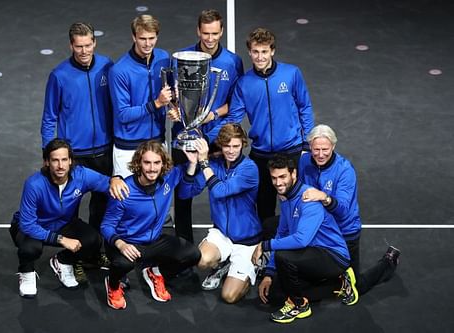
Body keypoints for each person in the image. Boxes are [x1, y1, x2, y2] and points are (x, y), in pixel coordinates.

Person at [40, 22, 114, 281]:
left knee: (101, 206)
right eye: (78, 46)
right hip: (75, 155)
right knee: (69, 211)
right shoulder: (59, 75)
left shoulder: (107, 66)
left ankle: (92, 253)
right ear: (71, 45)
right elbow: (49, 117)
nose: (84, 51)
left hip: (104, 150)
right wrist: (49, 154)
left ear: (94, 43)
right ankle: (71, 258)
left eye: (88, 45)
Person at [10, 139, 128, 298]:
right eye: (55, 160)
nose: (60, 165)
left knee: (93, 240)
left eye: (64, 160)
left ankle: (63, 261)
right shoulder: (34, 184)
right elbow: (27, 225)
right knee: (30, 249)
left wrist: (116, 179)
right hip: (34, 227)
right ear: (46, 162)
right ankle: (26, 272)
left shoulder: (81, 175)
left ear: (71, 161)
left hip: (64, 223)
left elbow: (108, 183)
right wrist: (61, 239)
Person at [252, 154, 357, 324]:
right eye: (274, 178)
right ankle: (337, 285)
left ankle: (299, 305)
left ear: (293, 174)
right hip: (310, 255)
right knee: (275, 294)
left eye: (282, 177)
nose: (278, 183)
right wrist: (269, 273)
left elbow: (301, 240)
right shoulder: (286, 198)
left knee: (283, 257)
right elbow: (282, 233)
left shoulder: (308, 200)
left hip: (333, 255)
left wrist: (265, 245)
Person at [298, 124, 400, 296]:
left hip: (344, 232)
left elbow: (343, 210)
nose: (320, 154)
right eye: (316, 149)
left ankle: (388, 262)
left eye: (325, 149)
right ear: (310, 147)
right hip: (318, 229)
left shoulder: (345, 170)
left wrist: (324, 197)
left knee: (353, 288)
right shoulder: (304, 161)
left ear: (333, 147)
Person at [170, 9, 244, 244]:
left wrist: (211, 115)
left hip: (217, 138)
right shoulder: (182, 58)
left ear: (221, 31)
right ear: (198, 31)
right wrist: (172, 108)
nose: (210, 38)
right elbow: (173, 94)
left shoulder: (233, 62)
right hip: (184, 136)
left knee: (220, 191)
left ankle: (221, 243)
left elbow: (236, 101)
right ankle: (183, 246)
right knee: (182, 193)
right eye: (205, 33)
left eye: (214, 33)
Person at [100, 141, 201, 310]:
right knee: (123, 265)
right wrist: (121, 244)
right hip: (126, 242)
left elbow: (185, 181)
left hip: (153, 241)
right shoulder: (124, 190)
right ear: (139, 163)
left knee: (193, 254)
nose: (152, 168)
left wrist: (192, 163)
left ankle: (156, 273)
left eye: (157, 163)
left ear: (163, 164)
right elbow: (106, 226)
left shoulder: (168, 179)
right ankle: (113, 284)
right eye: (147, 163)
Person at [228, 27, 314, 224]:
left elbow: (305, 107)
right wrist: (216, 140)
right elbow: (233, 119)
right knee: (264, 207)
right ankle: (266, 249)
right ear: (249, 52)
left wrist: (306, 145)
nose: (260, 57)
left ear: (272, 51)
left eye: (264, 51)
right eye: (256, 52)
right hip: (261, 154)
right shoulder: (244, 83)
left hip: (291, 150)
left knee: (296, 203)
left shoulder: (291, 74)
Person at [179, 124, 262, 303]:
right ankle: (223, 264)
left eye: (236, 146)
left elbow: (220, 191)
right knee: (201, 261)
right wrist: (193, 165)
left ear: (243, 145)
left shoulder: (249, 169)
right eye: (227, 146)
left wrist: (203, 162)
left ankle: (250, 269)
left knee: (229, 296)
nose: (231, 151)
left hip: (247, 241)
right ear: (221, 145)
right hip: (222, 234)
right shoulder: (214, 165)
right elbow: (185, 193)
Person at [109, 14, 172, 178]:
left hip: (158, 142)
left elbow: (170, 90)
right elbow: (123, 114)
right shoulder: (119, 71)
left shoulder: (164, 58)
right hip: (129, 147)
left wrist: (175, 105)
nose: (148, 43)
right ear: (134, 37)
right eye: (142, 38)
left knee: (158, 198)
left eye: (152, 38)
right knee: (126, 200)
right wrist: (156, 104)